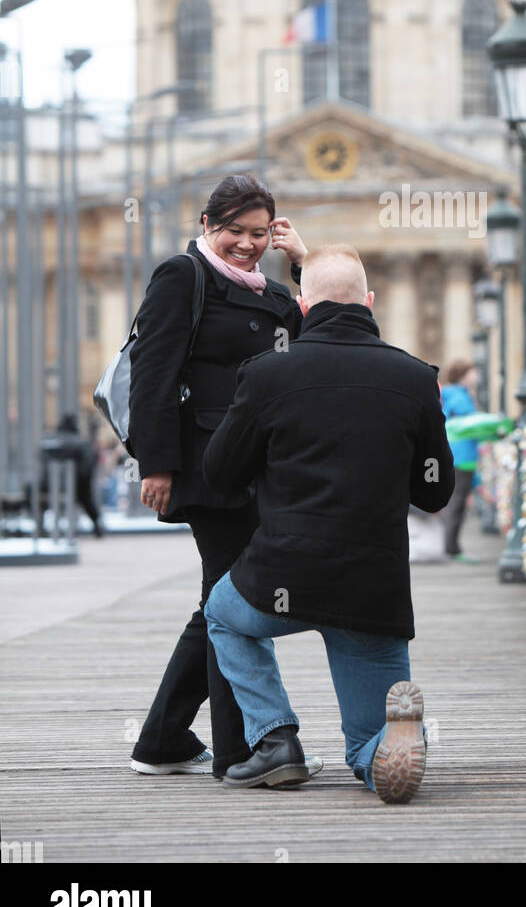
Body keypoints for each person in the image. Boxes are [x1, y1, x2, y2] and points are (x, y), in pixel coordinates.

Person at [202, 243, 455, 803]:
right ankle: (386, 750)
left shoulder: (267, 374)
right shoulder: (414, 379)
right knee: (368, 733)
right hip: (373, 586)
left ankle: (275, 740)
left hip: (280, 577)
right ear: (369, 301)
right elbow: (435, 492)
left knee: (221, 616)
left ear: (301, 304)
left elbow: (220, 472)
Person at [126, 173, 307, 779]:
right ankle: (238, 749)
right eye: (235, 231)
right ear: (207, 225)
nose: (247, 244)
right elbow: (152, 373)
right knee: (232, 597)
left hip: (263, 465)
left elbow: (316, 342)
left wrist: (303, 264)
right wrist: (156, 465)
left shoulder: (275, 294)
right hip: (207, 465)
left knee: (221, 601)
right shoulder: (184, 277)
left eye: (260, 233)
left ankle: (163, 738)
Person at [440, 359, 482, 562]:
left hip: (461, 455)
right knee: (457, 503)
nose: (477, 376)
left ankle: (452, 547)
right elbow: (470, 424)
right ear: (463, 375)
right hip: (461, 456)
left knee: (457, 503)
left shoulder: (455, 394)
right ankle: (451, 549)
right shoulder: (459, 396)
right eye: (473, 372)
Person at [38, 414, 104, 538]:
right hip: (77, 487)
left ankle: (39, 528)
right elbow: (89, 464)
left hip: (47, 486)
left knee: (39, 498)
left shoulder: (48, 441)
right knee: (87, 499)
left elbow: (39, 462)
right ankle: (97, 527)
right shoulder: (80, 442)